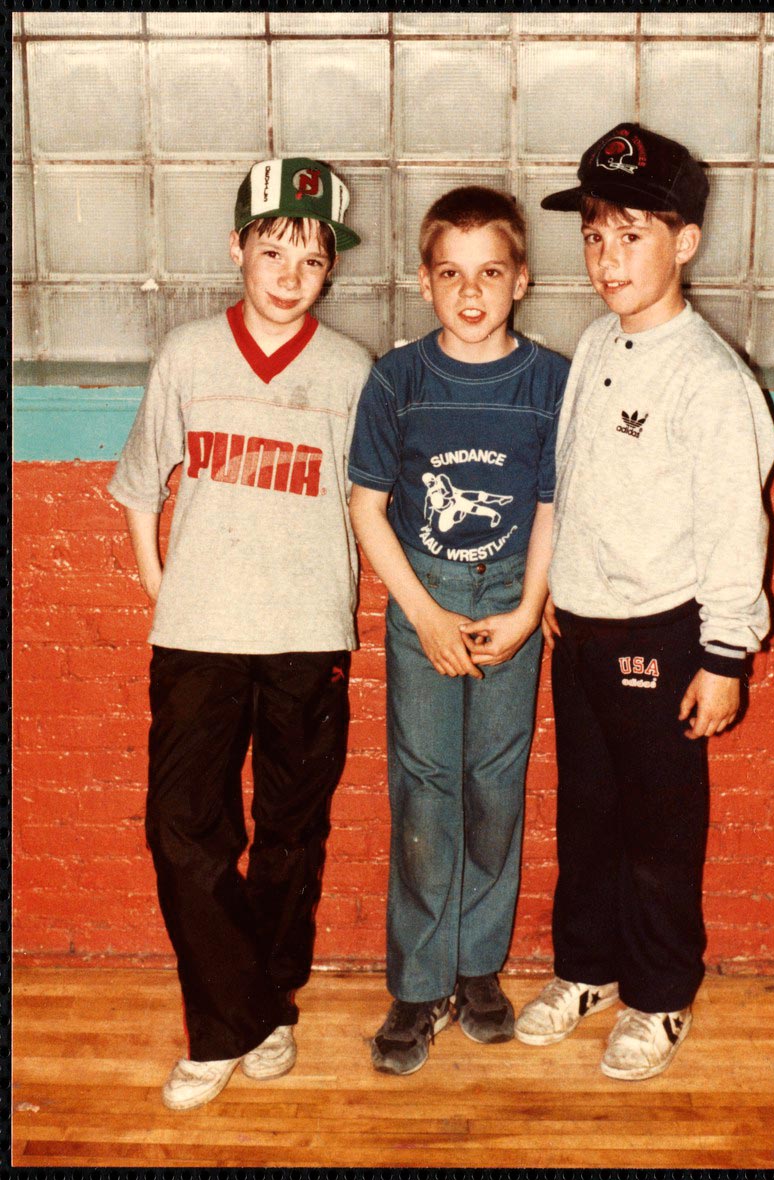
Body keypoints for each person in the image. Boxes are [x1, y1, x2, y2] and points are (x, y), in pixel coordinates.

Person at [514, 123, 774, 1080]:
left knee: (659, 831)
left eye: (632, 235)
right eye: (593, 236)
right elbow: (576, 479)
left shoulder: (710, 378)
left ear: (687, 242)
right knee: (585, 814)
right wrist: (559, 592)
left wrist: (723, 657)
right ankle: (587, 969)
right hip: (581, 630)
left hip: (665, 639)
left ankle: (658, 995)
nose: (607, 258)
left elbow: (734, 529)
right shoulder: (594, 341)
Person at [108, 157, 371, 1110]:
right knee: (183, 831)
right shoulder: (185, 354)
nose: (290, 270)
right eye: (273, 247)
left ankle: (261, 1004)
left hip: (307, 636)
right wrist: (163, 591)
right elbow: (141, 488)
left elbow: (367, 505)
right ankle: (238, 1019)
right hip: (200, 637)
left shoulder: (350, 372)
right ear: (238, 250)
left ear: (331, 267)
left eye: (311, 254)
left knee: (291, 833)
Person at [348, 186, 569, 1075]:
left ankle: (478, 969)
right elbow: (368, 507)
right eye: (451, 274)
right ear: (424, 281)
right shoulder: (397, 380)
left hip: (512, 598)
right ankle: (417, 983)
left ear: (520, 279)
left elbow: (554, 501)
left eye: (490, 273)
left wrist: (524, 612)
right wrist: (423, 613)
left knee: (493, 786)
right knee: (427, 791)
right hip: (425, 598)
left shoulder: (549, 380)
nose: (470, 295)